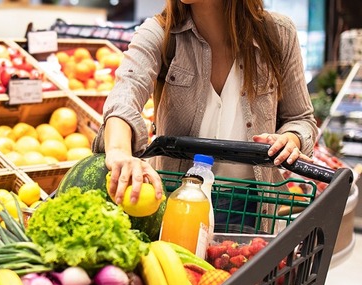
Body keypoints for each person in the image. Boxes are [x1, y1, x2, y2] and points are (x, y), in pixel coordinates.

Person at [97, 0, 318, 220]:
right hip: (176, 200)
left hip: (252, 206)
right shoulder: (162, 33)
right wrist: (119, 152)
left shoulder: (278, 34)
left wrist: (291, 139)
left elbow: (301, 118)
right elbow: (126, 94)